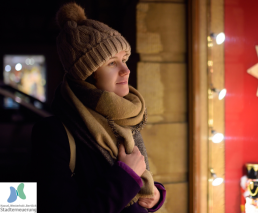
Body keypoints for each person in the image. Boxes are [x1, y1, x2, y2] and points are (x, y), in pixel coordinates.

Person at [30, 3, 165, 213]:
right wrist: (126, 176)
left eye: (124, 59)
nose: (126, 70)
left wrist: (153, 195)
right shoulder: (51, 133)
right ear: (87, 74)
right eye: (112, 63)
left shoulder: (122, 118)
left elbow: (134, 187)